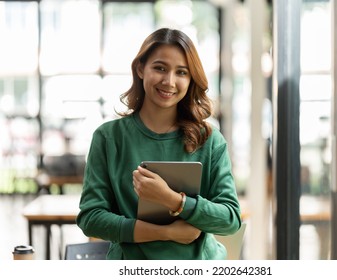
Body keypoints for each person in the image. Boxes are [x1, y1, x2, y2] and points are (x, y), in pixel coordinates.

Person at [76, 28, 241, 260]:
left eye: (181, 72)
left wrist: (173, 200)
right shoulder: (108, 138)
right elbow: (91, 218)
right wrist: (166, 233)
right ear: (141, 69)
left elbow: (230, 220)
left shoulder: (210, 140)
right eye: (160, 68)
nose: (169, 81)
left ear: (191, 78)